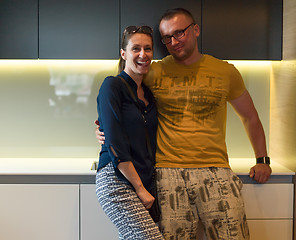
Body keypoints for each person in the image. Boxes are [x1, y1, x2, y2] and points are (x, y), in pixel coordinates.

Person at [96, 8, 272, 240]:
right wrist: (102, 130)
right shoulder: (153, 70)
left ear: (196, 30)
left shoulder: (225, 71)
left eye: (179, 33)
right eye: (167, 38)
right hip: (167, 173)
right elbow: (119, 97)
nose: (173, 41)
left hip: (216, 169)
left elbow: (249, 116)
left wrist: (262, 159)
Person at [95, 25, 164, 240]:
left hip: (142, 180)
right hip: (117, 180)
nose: (143, 54)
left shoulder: (149, 96)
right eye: (136, 49)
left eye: (148, 49)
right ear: (124, 54)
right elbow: (116, 143)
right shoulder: (112, 85)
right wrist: (140, 189)